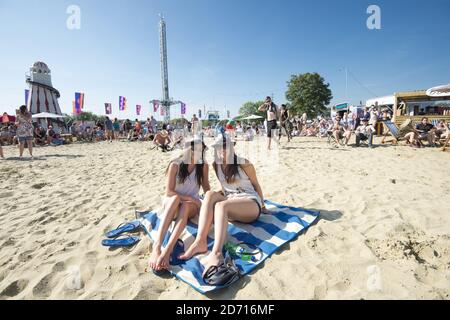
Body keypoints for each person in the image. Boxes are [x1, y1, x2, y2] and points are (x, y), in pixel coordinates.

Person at [180, 135, 267, 277]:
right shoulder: (217, 165)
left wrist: (263, 206)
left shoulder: (244, 163)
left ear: (232, 147)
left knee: (221, 206)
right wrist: (219, 195)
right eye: (218, 148)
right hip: (232, 202)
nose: (222, 151)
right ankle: (200, 241)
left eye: (225, 147)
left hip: (250, 203)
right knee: (209, 195)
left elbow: (256, 185)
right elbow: (225, 186)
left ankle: (217, 252)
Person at [148, 137, 210, 272]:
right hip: (172, 203)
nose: (199, 153)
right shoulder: (175, 165)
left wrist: (209, 202)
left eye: (202, 150)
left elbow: (206, 189)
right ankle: (157, 246)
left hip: (190, 206)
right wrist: (191, 198)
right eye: (195, 150)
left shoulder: (203, 166)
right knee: (176, 198)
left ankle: (167, 250)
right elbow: (169, 192)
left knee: (186, 205)